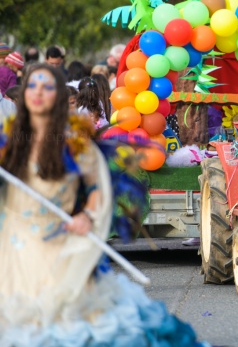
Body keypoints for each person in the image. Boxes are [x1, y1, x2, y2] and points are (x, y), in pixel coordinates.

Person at [0, 64, 204, 345]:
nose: (38, 93)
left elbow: (96, 186)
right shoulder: (10, 140)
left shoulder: (74, 140)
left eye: (46, 87)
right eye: (32, 86)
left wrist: (86, 215)